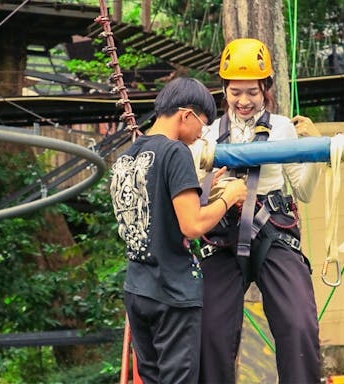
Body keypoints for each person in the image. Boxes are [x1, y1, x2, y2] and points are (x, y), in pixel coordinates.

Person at [191, 38, 323, 383]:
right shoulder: (207, 134)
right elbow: (190, 192)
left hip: (272, 231)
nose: (244, 101)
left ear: (266, 89)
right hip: (221, 234)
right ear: (224, 90)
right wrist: (212, 185)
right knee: (209, 332)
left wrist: (315, 149)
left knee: (299, 323)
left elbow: (305, 191)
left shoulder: (281, 128)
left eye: (252, 91)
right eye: (236, 92)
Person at [110, 77, 247, 384]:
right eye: (202, 125)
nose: (201, 136)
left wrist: (206, 188)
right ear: (186, 114)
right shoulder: (176, 152)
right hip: (172, 293)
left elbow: (156, 212)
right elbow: (193, 225)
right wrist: (230, 196)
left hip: (137, 290)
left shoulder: (125, 158)